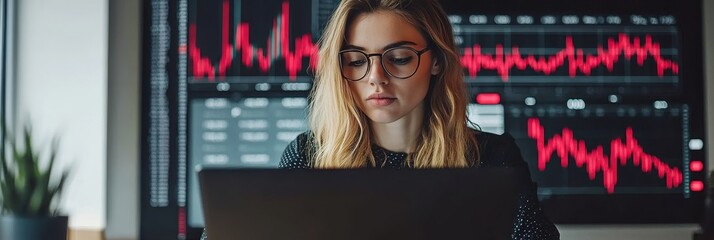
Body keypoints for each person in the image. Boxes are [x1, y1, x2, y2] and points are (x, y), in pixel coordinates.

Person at [202, 0, 559, 239]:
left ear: (436, 61)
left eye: (399, 58)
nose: (376, 77)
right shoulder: (309, 155)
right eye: (356, 61)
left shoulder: (491, 159)